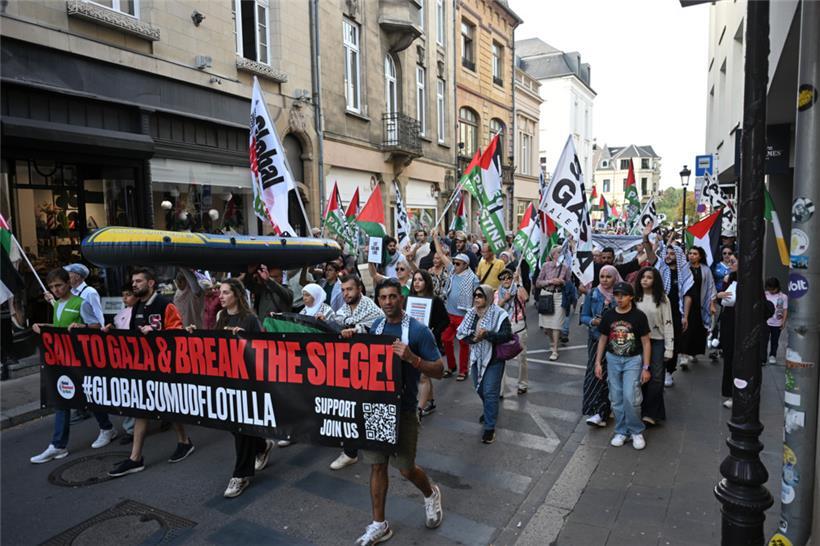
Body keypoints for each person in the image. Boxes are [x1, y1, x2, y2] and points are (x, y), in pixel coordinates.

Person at [355, 279, 444, 545]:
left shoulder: (418, 331)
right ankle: (379, 524)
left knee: (405, 469)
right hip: (377, 407)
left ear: (401, 299)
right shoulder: (376, 327)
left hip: (403, 409)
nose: (388, 302)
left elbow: (439, 369)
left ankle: (431, 493)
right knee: (377, 465)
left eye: (393, 296)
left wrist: (413, 359)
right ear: (378, 300)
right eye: (383, 297)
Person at [109, 267, 194, 478]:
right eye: (133, 281)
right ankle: (135, 458)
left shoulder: (165, 305)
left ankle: (184, 441)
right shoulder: (136, 306)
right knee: (141, 410)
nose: (134, 284)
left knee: (171, 406)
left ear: (151, 283)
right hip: (143, 367)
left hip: (164, 366)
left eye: (138, 281)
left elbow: (177, 334)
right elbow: (132, 336)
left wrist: (156, 333)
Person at [30, 268, 116, 463]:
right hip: (62, 361)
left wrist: (81, 327)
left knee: (89, 395)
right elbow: (60, 328)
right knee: (62, 399)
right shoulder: (57, 304)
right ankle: (58, 445)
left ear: (68, 283)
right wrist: (43, 327)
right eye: (52, 287)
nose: (55, 290)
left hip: (82, 360)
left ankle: (107, 428)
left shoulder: (81, 303)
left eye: (59, 285)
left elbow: (96, 326)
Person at [209, 279, 275, 498]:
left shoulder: (250, 319)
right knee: (233, 425)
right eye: (220, 292)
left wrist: (244, 339)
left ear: (236, 295)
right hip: (227, 379)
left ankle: (240, 475)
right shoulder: (221, 317)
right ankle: (261, 445)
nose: (221, 296)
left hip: (247, 382)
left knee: (241, 429)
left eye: (226, 292)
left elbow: (262, 350)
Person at [328, 275, 385, 471]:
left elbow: (378, 329)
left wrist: (357, 329)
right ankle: (350, 452)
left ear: (359, 288)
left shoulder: (372, 310)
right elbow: (336, 324)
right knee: (348, 406)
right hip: (346, 367)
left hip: (368, 367)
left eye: (349, 289)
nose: (346, 294)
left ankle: (376, 444)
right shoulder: (342, 311)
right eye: (343, 290)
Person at [594, 282, 652, 450]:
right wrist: (598, 362)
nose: (619, 298)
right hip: (613, 359)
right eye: (616, 295)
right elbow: (603, 339)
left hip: (632, 360)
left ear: (631, 297)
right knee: (616, 397)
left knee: (630, 395)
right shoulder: (609, 315)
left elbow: (646, 342)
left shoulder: (639, 316)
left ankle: (636, 430)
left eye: (623, 295)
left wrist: (646, 367)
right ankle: (621, 430)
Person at [457, 284, 512, 444]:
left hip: (494, 359)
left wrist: (487, 335)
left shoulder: (499, 314)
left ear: (487, 298)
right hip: (476, 358)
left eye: (480, 296)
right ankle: (490, 410)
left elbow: (506, 335)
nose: (476, 298)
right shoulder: (471, 314)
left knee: (490, 393)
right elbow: (462, 334)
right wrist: (474, 339)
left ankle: (489, 428)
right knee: (480, 389)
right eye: (475, 295)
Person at [63, 263, 105, 424]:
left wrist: (100, 333)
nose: (67, 276)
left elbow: (98, 314)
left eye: (69, 273)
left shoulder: (89, 292)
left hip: (89, 337)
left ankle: (95, 408)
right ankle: (83, 407)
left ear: (78, 276)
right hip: (77, 338)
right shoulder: (72, 293)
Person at [580, 265, 621, 427]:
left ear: (615, 278)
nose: (604, 280)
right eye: (602, 276)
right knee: (595, 374)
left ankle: (608, 408)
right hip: (596, 340)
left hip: (616, 342)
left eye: (608, 277)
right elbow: (583, 316)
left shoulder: (621, 295)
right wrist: (593, 321)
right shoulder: (593, 293)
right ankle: (598, 411)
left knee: (613, 376)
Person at [633, 267, 674, 426]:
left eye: (649, 277)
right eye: (642, 277)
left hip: (657, 341)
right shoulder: (635, 297)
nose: (645, 280)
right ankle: (644, 408)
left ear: (655, 280)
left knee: (656, 377)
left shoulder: (663, 299)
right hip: (637, 342)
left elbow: (668, 323)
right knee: (641, 375)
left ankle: (651, 413)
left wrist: (669, 347)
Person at [409, 270, 449, 417]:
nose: (417, 283)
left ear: (426, 282)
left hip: (428, 342)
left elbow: (445, 321)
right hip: (413, 341)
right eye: (415, 280)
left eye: (420, 280)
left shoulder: (435, 300)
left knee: (423, 375)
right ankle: (430, 401)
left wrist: (434, 332)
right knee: (423, 373)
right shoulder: (409, 299)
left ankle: (419, 408)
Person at [437, 245, 479, 381]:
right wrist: (436, 238)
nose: (454, 265)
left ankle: (463, 370)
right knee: (445, 339)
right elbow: (442, 255)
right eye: (454, 263)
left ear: (465, 265)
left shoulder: (473, 279)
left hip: (463, 316)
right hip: (449, 315)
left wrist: (475, 315)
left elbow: (477, 297)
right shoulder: (452, 272)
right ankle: (451, 366)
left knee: (463, 344)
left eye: (458, 263)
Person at [654, 232, 689, 387]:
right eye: (666, 253)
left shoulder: (684, 274)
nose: (668, 256)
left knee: (672, 343)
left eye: (671, 253)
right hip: (658, 312)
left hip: (675, 314)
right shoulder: (661, 269)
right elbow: (653, 255)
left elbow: (688, 295)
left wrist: (685, 316)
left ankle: (669, 371)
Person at [108, 284, 139, 444]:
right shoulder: (120, 314)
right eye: (123, 295)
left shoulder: (140, 311)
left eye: (128, 294)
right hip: (124, 358)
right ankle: (131, 428)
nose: (125, 298)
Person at [679, 247, 717, 370]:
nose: (691, 256)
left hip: (701, 304)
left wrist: (711, 304)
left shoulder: (706, 270)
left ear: (700, 256)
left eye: (695, 254)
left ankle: (693, 352)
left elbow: (711, 288)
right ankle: (684, 356)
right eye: (690, 253)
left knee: (698, 330)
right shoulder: (684, 268)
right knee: (686, 329)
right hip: (686, 303)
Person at [494, 269, 529, 395]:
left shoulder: (518, 289)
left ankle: (522, 384)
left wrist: (519, 283)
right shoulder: (498, 293)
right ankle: (501, 389)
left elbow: (526, 297)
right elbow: (496, 308)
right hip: (503, 327)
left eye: (509, 278)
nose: (506, 280)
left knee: (522, 357)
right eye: (503, 278)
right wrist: (504, 299)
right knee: (501, 357)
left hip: (518, 326)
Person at [591, 223, 656, 288]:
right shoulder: (595, 268)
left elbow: (641, 259)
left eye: (609, 258)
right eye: (604, 258)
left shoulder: (619, 269)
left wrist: (653, 244)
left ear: (613, 258)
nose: (606, 260)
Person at [536, 247, 571, 361]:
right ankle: (552, 342)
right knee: (547, 327)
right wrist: (550, 281)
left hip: (559, 296)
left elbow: (570, 283)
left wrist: (562, 282)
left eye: (562, 253)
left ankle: (555, 349)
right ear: (553, 255)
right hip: (546, 295)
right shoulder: (546, 266)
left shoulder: (565, 267)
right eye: (558, 252)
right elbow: (538, 282)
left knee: (556, 325)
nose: (560, 255)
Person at [716, 258, 737, 408]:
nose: (730, 265)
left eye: (733, 261)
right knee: (729, 360)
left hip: (745, 327)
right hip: (729, 325)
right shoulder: (729, 279)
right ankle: (730, 394)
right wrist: (720, 295)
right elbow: (720, 298)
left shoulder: (752, 281)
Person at [764, 277, 788, 366]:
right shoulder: (765, 295)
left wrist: (783, 321)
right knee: (764, 340)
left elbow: (785, 310)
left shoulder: (783, 297)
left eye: (773, 289)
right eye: (769, 289)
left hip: (777, 322)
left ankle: (772, 355)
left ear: (777, 287)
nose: (771, 291)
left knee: (775, 340)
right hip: (766, 322)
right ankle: (763, 355)